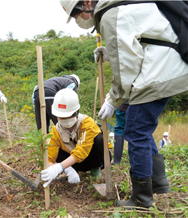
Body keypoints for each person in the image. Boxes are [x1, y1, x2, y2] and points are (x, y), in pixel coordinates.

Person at [59, 0, 188, 209]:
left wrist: (112, 99)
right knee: (142, 129)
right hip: (165, 63)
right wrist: (109, 52)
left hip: (161, 68)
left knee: (135, 131)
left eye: (76, 13)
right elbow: (140, 40)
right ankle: (157, 182)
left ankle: (141, 199)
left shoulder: (111, 14)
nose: (77, 19)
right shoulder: (116, 7)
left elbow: (127, 66)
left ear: (88, 2)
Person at [41, 88, 107, 187]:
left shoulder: (87, 123)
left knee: (98, 139)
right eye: (61, 116)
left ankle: (95, 169)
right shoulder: (56, 131)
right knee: (52, 146)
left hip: (90, 159)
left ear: (76, 112)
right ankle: (73, 170)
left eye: (67, 115)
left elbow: (81, 151)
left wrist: (60, 167)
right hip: (72, 164)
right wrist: (66, 169)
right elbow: (48, 159)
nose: (64, 119)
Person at [111, 101, 129, 165]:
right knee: (142, 130)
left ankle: (116, 161)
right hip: (142, 102)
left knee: (120, 128)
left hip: (125, 103)